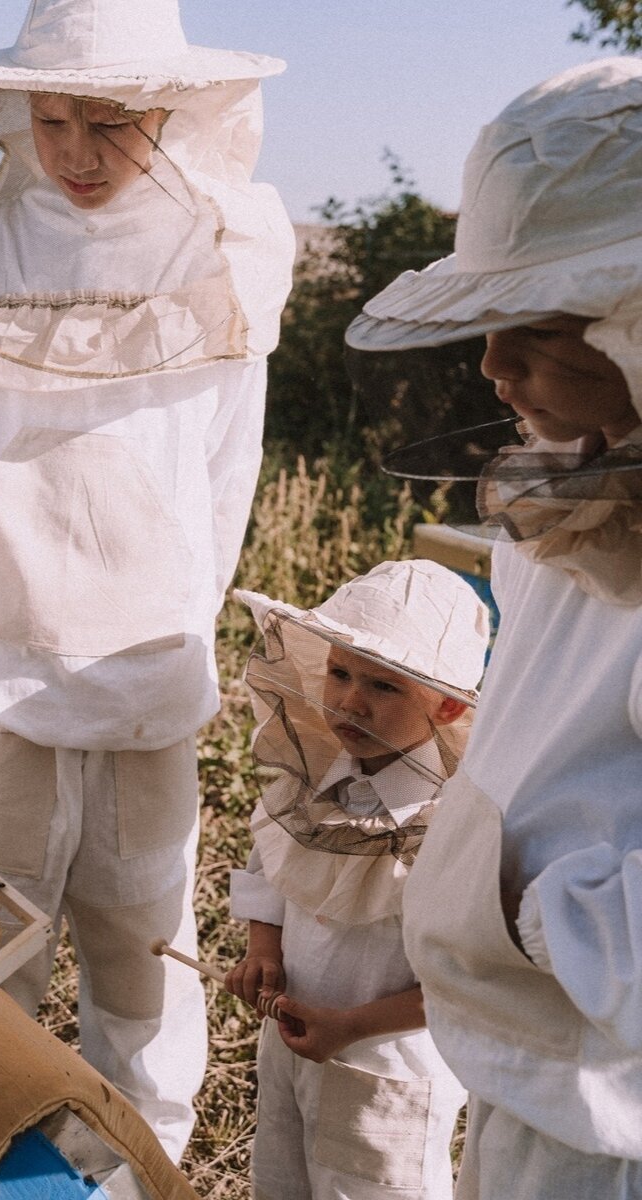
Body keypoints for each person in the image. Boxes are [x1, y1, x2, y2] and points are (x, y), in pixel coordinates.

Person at [0, 0, 295, 1158]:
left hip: (146, 665)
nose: (77, 152)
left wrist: (176, 612)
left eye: (112, 122)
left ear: (173, 113)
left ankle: (142, 1160)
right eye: (54, 118)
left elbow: (225, 465)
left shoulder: (225, 243)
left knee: (144, 938)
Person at [345, 58, 642, 1199]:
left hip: (614, 1119)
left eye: (534, 325)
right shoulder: (574, 485)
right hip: (526, 1071)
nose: (491, 366)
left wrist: (508, 895)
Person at [226, 560, 489, 1199]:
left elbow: (465, 981)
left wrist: (352, 1026)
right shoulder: (316, 772)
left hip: (388, 1072)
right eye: (339, 673)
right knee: (280, 1180)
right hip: (289, 1040)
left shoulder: (457, 822)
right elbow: (273, 865)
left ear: (447, 704)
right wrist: (263, 950)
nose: (349, 700)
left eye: (382, 686)